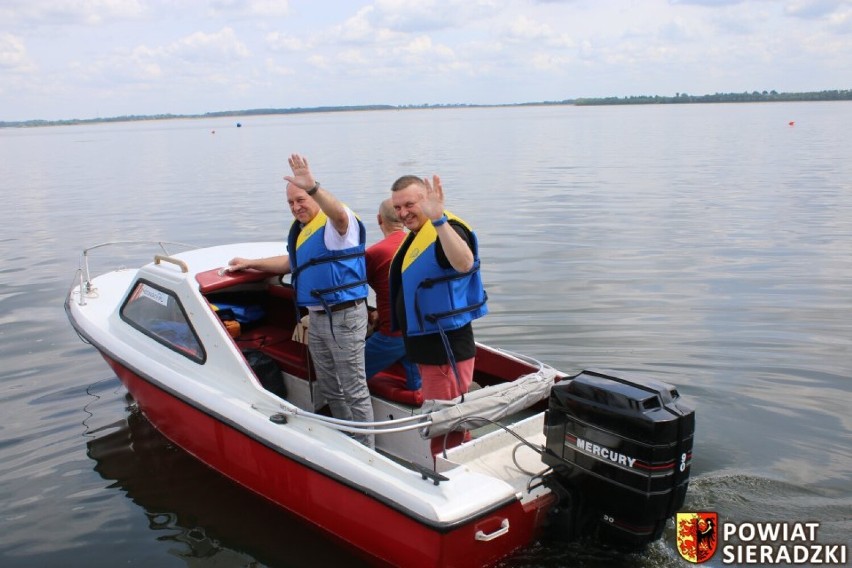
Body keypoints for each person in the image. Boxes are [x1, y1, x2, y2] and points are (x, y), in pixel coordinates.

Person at [228, 154, 374, 448]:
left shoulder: (336, 227)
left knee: (353, 386)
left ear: (315, 198)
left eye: (302, 199)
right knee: (329, 384)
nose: (296, 207)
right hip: (318, 317)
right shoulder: (304, 230)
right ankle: (348, 439)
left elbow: (341, 216)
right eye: (291, 203)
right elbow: (292, 263)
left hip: (344, 317)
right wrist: (250, 264)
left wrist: (313, 186)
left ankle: (368, 451)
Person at [388, 174, 488, 404]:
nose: (403, 213)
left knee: (444, 423)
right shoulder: (416, 235)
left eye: (410, 205)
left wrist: (439, 220)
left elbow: (464, 263)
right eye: (398, 207)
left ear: (427, 200)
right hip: (426, 348)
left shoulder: (447, 229)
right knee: (443, 421)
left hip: (444, 349)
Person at [364, 199, 421, 390]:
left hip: (392, 334)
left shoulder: (375, 253)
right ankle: (419, 401)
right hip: (421, 331)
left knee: (346, 378)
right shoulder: (419, 244)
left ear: (379, 219)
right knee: (418, 385)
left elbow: (351, 291)